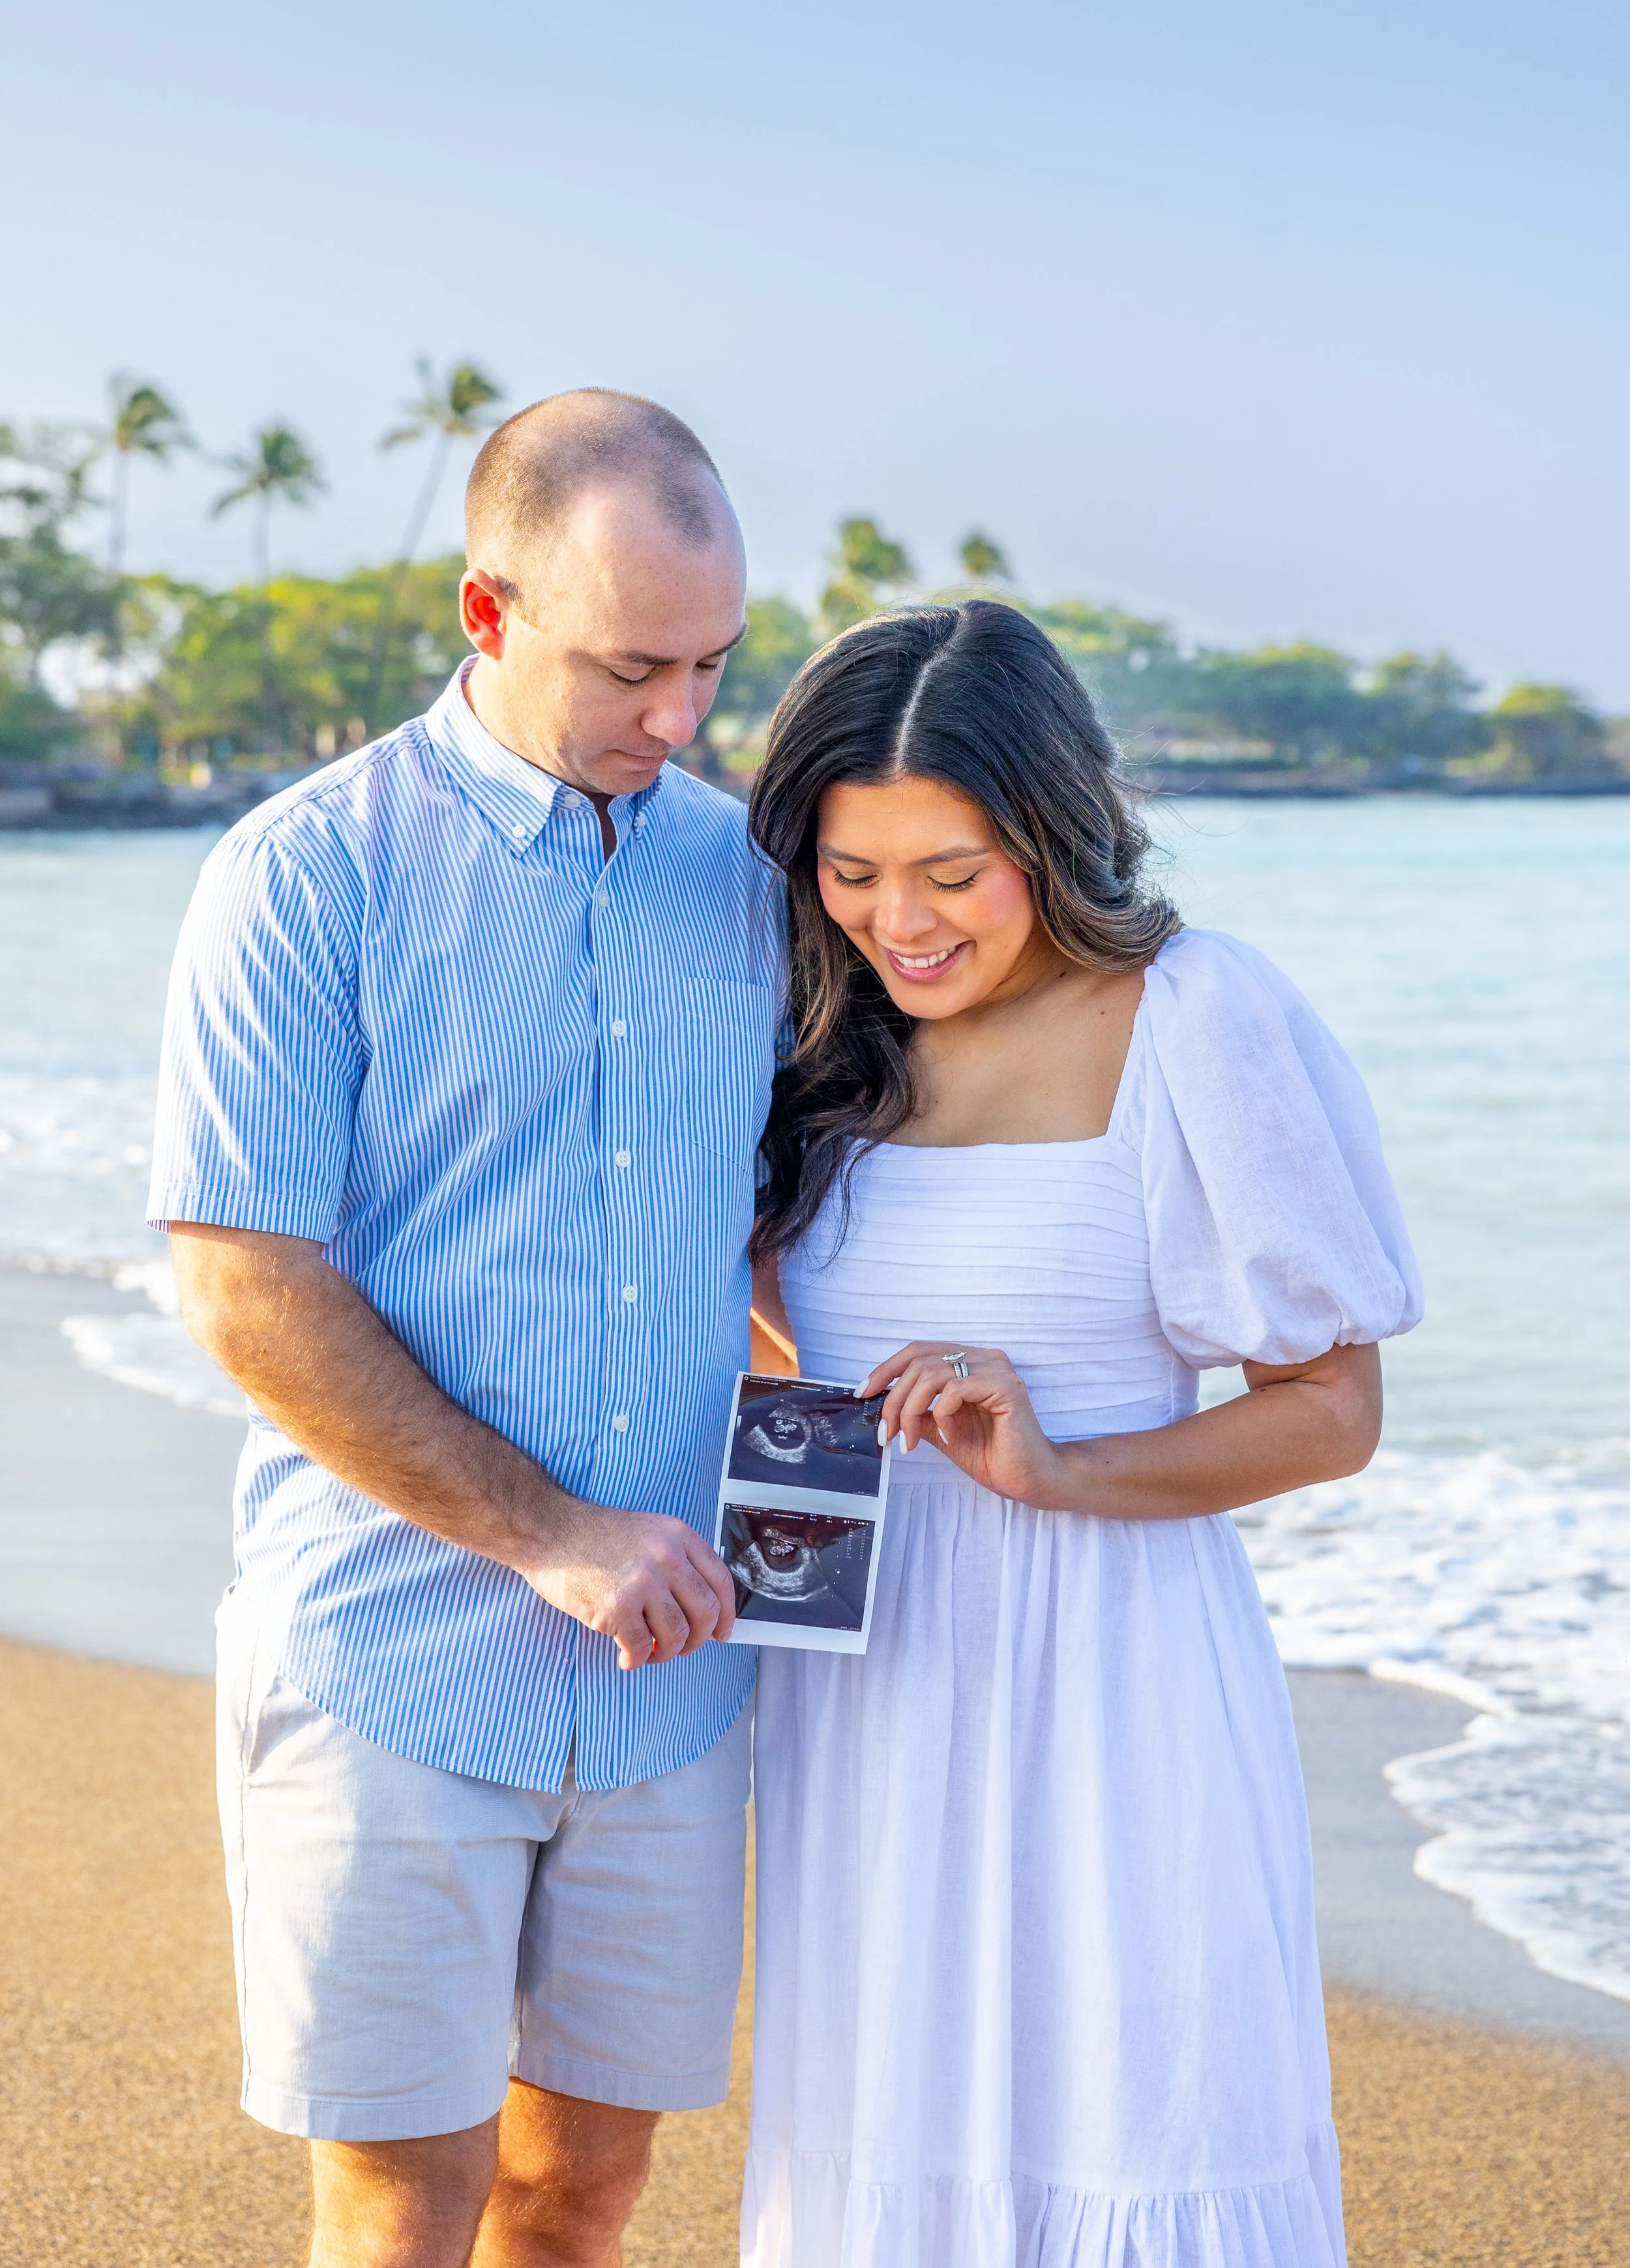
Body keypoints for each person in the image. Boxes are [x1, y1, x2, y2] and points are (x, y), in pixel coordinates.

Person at [149, 390, 782, 2268]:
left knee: (582, 2188)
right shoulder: (301, 875)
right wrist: (557, 1535)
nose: (677, 717)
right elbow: (245, 1283)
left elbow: (791, 1226)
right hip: (385, 1650)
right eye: (632, 664)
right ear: (487, 612)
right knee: (399, 2200)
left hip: (676, 1686)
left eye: (712, 663)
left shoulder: (748, 877)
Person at [742, 600, 1422, 2268]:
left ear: (1049, 830)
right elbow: (771, 1345)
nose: (896, 919)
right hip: (864, 1694)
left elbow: (1330, 1412)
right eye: (851, 869)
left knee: (1133, 2134)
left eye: (948, 872)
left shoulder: (1195, 1018)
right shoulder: (816, 1031)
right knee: (882, 2146)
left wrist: (1055, 1467)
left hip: (1110, 1690)